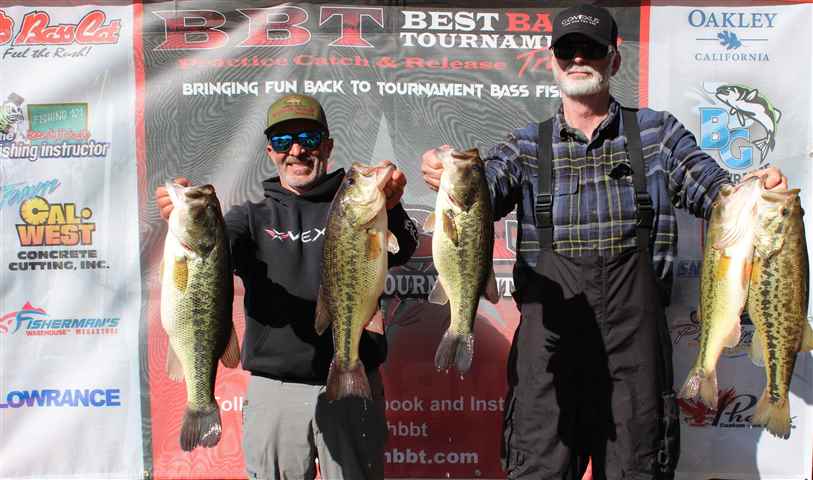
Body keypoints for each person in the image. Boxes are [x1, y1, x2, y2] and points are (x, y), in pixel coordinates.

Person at [420, 4, 786, 480]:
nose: (578, 59)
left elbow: (715, 192)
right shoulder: (528, 146)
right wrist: (444, 173)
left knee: (638, 470)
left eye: (591, 49)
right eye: (567, 49)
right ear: (553, 61)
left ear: (614, 60)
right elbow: (478, 191)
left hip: (634, 365)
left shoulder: (657, 134)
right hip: (548, 360)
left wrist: (757, 189)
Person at [156, 93, 418, 480]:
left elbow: (405, 246)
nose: (297, 150)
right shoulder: (249, 217)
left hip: (353, 379)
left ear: (327, 146)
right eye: (282, 142)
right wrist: (184, 219)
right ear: (270, 152)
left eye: (309, 139)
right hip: (275, 389)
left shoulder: (357, 203)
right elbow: (210, 254)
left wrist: (391, 206)